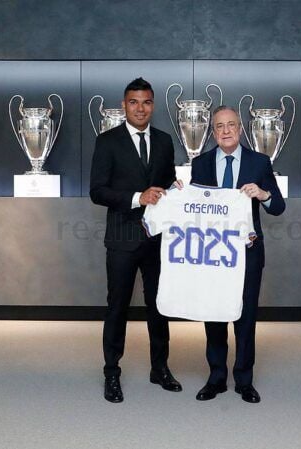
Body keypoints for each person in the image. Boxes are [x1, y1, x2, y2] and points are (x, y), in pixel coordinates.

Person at [89, 77, 183, 403]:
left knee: (160, 307)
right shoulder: (107, 141)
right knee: (117, 307)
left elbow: (167, 182)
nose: (140, 108)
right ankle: (111, 373)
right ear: (124, 105)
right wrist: (135, 197)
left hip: (158, 240)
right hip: (122, 239)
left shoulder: (164, 140)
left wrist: (177, 189)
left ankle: (160, 368)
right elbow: (97, 191)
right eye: (133, 102)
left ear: (153, 105)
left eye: (146, 102)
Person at [189, 105, 286, 403]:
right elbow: (194, 207)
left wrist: (264, 194)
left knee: (245, 317)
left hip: (248, 252)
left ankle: (244, 380)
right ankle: (216, 377)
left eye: (231, 125)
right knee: (215, 315)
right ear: (213, 131)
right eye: (220, 126)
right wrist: (179, 193)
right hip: (213, 253)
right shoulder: (201, 163)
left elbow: (279, 206)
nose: (226, 130)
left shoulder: (260, 162)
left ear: (241, 129)